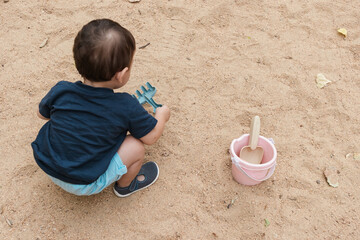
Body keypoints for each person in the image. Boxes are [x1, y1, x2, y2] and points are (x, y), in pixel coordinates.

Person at [31, 19, 170, 197]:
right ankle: (125, 187)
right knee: (136, 147)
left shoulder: (62, 89)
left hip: (47, 164)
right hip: (83, 184)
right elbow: (151, 137)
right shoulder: (125, 105)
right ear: (121, 75)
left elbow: (41, 114)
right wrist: (162, 115)